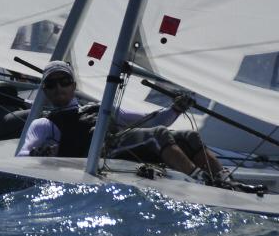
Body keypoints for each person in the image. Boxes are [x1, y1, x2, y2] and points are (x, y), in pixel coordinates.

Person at [18, 61, 237, 188]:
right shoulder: (44, 123)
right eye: (51, 84)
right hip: (103, 155)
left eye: (64, 81)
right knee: (157, 135)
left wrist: (176, 108)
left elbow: (155, 119)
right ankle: (202, 183)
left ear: (74, 85)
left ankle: (226, 181)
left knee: (189, 137)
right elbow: (22, 154)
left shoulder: (102, 110)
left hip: (124, 153)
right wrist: (37, 153)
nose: (59, 88)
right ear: (44, 90)